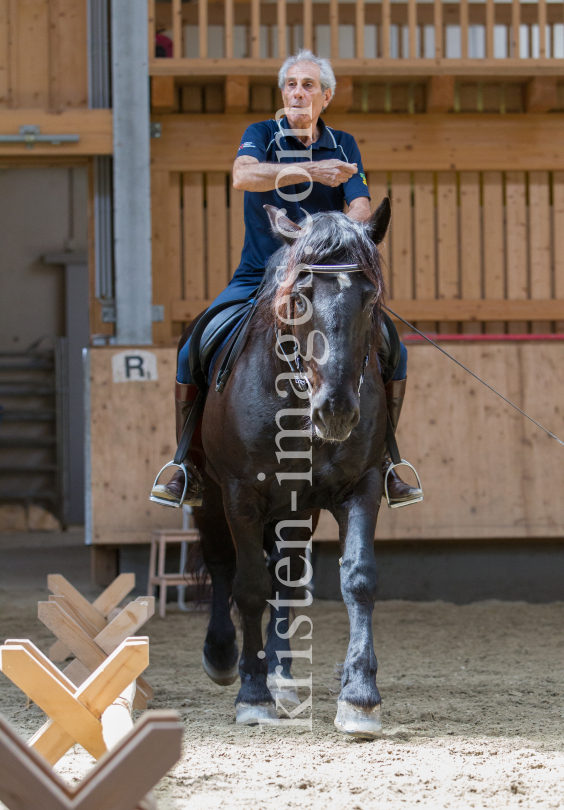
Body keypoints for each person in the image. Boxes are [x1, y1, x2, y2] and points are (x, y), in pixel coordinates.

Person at [150, 49, 422, 509]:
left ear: (326, 96)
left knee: (393, 346)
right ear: (283, 94)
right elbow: (245, 176)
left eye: (309, 85)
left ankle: (388, 461)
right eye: (291, 85)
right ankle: (186, 464)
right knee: (195, 342)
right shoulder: (261, 135)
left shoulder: (344, 144)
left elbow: (359, 203)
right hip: (259, 276)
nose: (298, 92)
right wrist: (312, 172)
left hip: (325, 278)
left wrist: (350, 229)